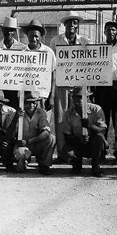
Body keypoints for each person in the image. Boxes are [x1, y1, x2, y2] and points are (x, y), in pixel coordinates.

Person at [50, 10, 91, 163]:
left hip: (79, 85)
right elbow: (52, 65)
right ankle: (62, 153)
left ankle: (77, 153)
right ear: (64, 24)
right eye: (68, 23)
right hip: (62, 84)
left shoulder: (86, 42)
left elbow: (92, 63)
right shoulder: (56, 40)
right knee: (61, 120)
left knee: (78, 118)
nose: (71, 25)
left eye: (74, 22)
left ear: (78, 25)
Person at [62, 87, 107, 177]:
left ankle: (96, 166)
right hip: (77, 142)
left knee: (99, 138)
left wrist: (90, 126)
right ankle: (76, 164)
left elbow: (102, 130)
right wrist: (79, 140)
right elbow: (66, 135)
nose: (79, 100)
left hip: (93, 142)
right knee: (66, 150)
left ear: (87, 98)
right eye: (76, 97)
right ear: (72, 98)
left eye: (81, 97)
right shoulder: (68, 113)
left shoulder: (96, 109)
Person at [13, 91, 56, 175]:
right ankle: (23, 161)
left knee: (51, 138)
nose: (31, 105)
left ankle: (44, 164)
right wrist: (16, 117)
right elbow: (10, 133)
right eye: (28, 103)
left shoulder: (41, 113)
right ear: (23, 103)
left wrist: (29, 141)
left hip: (36, 143)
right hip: (22, 145)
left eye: (33, 102)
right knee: (20, 154)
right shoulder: (17, 114)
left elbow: (46, 132)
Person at [0, 16, 26, 109]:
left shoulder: (22, 47)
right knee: (0, 109)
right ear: (2, 30)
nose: (9, 33)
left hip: (15, 84)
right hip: (0, 83)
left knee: (14, 109)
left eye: (11, 30)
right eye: (6, 30)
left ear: (15, 31)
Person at [22, 19, 56, 110]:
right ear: (27, 36)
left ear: (40, 36)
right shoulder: (22, 52)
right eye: (31, 36)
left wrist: (52, 96)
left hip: (42, 95)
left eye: (36, 36)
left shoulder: (48, 52)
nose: (33, 39)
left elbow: (54, 75)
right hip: (26, 95)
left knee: (43, 121)